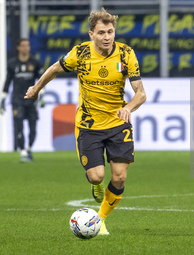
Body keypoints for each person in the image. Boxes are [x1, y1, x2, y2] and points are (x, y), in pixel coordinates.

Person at [25, 8, 146, 235]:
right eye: (101, 32)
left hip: (118, 124)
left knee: (119, 177)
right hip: (89, 125)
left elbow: (140, 93)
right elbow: (54, 68)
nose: (107, 37)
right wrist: (36, 88)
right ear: (92, 34)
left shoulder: (125, 54)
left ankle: (98, 220)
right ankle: (95, 184)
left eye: (110, 31)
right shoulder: (80, 54)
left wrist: (128, 108)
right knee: (97, 175)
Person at [0, 38, 45, 162]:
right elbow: (8, 81)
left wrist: (42, 94)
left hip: (31, 100)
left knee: (33, 127)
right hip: (17, 100)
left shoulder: (35, 63)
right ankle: (23, 151)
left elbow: (41, 80)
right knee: (18, 126)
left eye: (28, 45)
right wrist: (3, 98)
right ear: (18, 47)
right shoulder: (12, 64)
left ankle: (29, 148)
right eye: (23, 45)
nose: (26, 48)